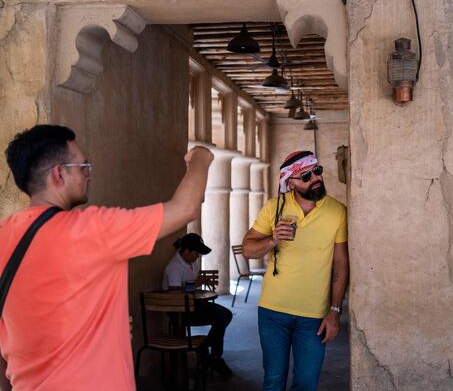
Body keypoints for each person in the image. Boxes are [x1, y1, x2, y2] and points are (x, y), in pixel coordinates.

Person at [0, 124, 213, 391]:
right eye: (83, 167)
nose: (89, 176)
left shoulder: (4, 236)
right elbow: (185, 209)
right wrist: (201, 158)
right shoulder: (93, 229)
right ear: (58, 174)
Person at [242, 150, 349, 391]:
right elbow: (248, 249)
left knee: (306, 383)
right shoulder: (275, 207)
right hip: (272, 312)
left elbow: (341, 264)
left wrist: (334, 310)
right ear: (289, 182)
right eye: (306, 175)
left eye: (317, 171)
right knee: (273, 381)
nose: (315, 178)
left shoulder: (337, 211)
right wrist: (272, 240)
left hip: (314, 316)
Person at [162, 233, 233, 377]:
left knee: (226, 314)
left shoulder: (190, 262)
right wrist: (195, 284)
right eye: (196, 253)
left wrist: (198, 282)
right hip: (180, 310)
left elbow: (191, 282)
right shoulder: (175, 267)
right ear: (186, 251)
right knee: (221, 316)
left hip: (191, 304)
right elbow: (175, 295)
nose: (198, 256)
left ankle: (206, 349)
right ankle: (213, 356)